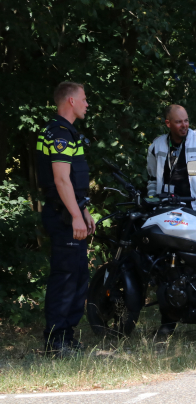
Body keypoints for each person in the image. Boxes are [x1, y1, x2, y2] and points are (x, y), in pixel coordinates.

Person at [146, 104, 196, 336]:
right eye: (179, 122)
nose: (184, 125)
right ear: (168, 124)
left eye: (186, 121)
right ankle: (168, 321)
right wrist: (153, 203)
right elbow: (152, 179)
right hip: (168, 212)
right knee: (168, 267)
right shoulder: (157, 145)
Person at [36, 81, 96, 355]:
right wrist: (74, 216)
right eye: (83, 99)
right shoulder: (59, 133)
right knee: (66, 277)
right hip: (62, 216)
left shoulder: (70, 133)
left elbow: (75, 182)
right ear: (71, 101)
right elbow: (60, 181)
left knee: (78, 276)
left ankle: (68, 337)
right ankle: (55, 341)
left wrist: (83, 211)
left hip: (71, 212)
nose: (86, 104)